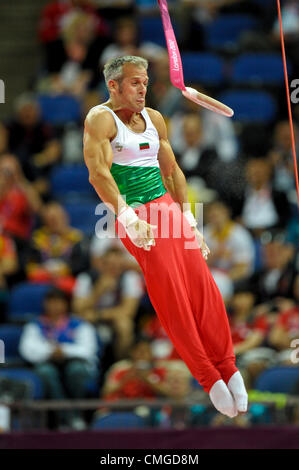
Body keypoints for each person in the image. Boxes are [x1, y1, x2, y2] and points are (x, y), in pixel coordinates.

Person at [83, 55, 248, 418]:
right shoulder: (101, 118)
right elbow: (98, 174)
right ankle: (207, 375)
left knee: (203, 285)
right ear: (113, 86)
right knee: (171, 292)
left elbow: (172, 174)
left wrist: (189, 218)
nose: (144, 88)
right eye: (135, 83)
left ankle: (228, 365)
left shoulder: (155, 119)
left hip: (165, 207)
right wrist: (127, 215)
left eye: (145, 81)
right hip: (132, 212)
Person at [19, 287, 99, 429]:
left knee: (76, 370)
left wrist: (64, 351)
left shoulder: (79, 324)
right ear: (45, 304)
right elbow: (27, 350)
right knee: (46, 372)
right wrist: (50, 351)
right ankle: (69, 418)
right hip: (47, 362)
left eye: (58, 302)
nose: (54, 306)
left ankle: (78, 414)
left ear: (65, 304)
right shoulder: (35, 325)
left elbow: (88, 349)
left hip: (74, 363)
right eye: (50, 302)